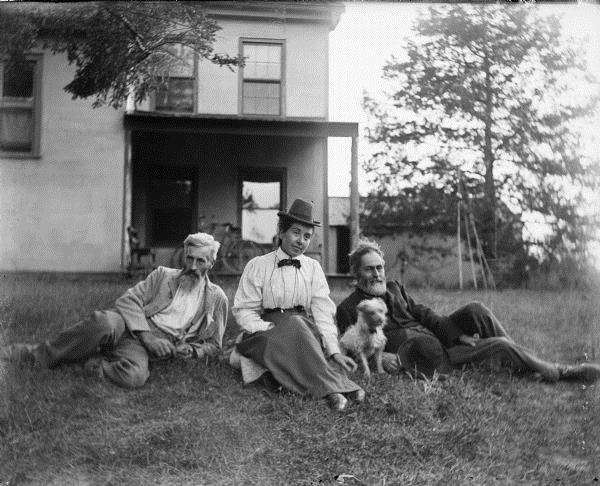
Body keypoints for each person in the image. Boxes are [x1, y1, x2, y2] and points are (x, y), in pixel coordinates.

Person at [336, 239, 600, 383]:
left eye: (380, 267)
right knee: (499, 345)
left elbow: (424, 313)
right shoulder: (348, 308)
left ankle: (525, 363)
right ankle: (559, 371)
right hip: (424, 353)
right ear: (356, 272)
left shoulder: (394, 287)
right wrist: (382, 359)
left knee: (476, 309)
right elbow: (351, 348)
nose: (377, 273)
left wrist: (455, 334)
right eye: (369, 269)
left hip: (438, 338)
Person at [1, 232, 228, 389]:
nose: (193, 267)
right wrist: (146, 336)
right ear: (184, 256)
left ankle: (91, 361)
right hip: (133, 327)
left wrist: (192, 351)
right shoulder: (163, 275)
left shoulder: (217, 298)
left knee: (135, 377)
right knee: (104, 322)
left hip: (157, 346)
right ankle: (32, 354)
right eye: (189, 258)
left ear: (211, 264)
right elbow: (129, 300)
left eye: (201, 261)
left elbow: (214, 345)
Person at [231, 198, 364, 411]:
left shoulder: (313, 268)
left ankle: (330, 391)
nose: (301, 240)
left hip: (303, 328)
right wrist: (267, 328)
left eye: (307, 236)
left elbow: (322, 312)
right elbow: (244, 310)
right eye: (295, 232)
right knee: (294, 325)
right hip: (267, 332)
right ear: (281, 232)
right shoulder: (258, 265)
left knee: (299, 325)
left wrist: (333, 350)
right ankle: (338, 388)